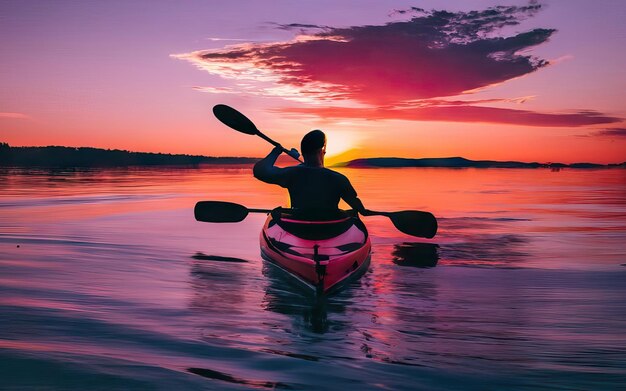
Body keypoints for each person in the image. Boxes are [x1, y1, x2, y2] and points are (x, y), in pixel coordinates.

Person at [253, 129, 372, 217]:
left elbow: (259, 171)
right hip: (329, 227)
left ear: (303, 152)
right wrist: (361, 211)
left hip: (299, 225)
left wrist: (276, 151)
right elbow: (359, 208)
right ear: (321, 150)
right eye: (324, 149)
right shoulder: (338, 178)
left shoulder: (291, 174)